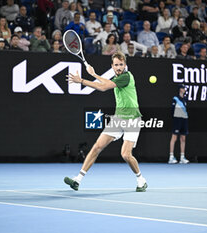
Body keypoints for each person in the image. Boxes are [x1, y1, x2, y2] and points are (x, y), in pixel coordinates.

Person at [64, 51, 148, 192]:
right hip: (118, 118)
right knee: (97, 146)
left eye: (121, 64)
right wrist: (93, 74)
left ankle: (141, 179)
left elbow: (103, 87)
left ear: (125, 65)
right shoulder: (116, 78)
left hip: (132, 119)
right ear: (112, 66)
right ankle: (78, 179)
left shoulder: (126, 77)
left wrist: (82, 80)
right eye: (116, 65)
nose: (119, 67)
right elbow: (106, 82)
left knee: (126, 154)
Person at [168, 84, 190, 164]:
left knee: (183, 138)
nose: (184, 90)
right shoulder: (175, 98)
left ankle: (182, 157)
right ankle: (171, 157)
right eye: (183, 88)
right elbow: (172, 110)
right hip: (177, 119)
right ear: (180, 89)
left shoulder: (185, 99)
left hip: (184, 119)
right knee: (174, 138)